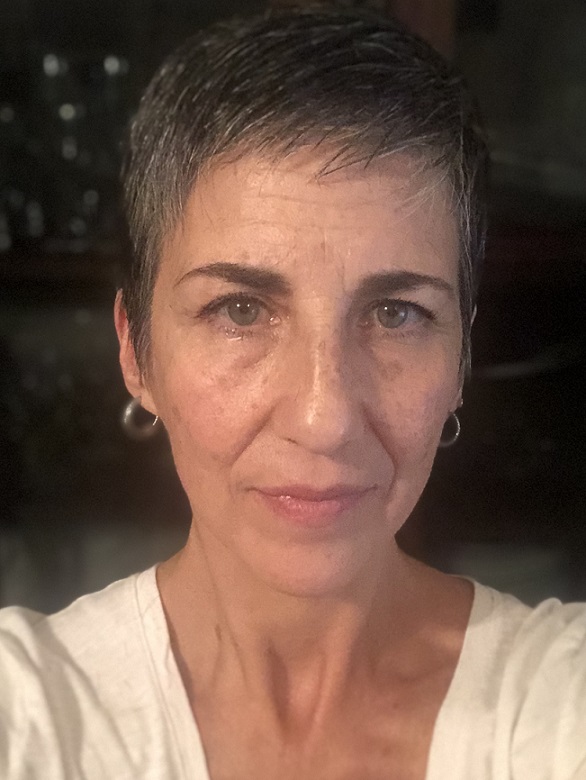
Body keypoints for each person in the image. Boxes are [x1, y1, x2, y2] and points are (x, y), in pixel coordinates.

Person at [1, 6, 585, 779]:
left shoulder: (559, 704)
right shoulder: (28, 715)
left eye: (396, 313)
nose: (324, 417)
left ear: (461, 354)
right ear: (136, 351)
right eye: (240, 310)